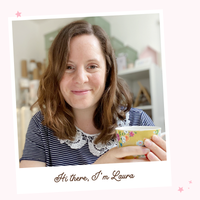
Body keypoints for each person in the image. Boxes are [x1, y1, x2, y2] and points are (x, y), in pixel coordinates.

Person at [20, 20, 166, 168]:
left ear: (107, 71)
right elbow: (30, 189)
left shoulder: (138, 122)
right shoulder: (40, 126)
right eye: (68, 67)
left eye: (92, 66)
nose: (81, 79)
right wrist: (97, 171)